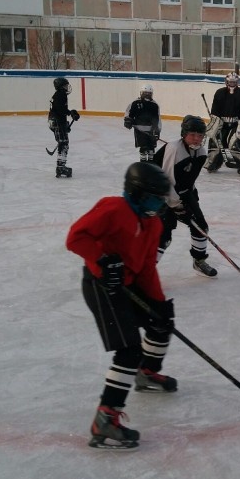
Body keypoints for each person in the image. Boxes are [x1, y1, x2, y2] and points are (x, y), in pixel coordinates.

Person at [65, 162, 177, 449]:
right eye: (154, 198)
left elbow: (148, 267)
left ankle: (148, 372)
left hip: (131, 282)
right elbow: (76, 237)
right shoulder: (114, 209)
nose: (158, 205)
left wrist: (158, 304)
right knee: (129, 351)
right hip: (103, 287)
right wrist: (101, 258)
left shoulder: (153, 222)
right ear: (137, 193)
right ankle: (105, 419)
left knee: (162, 320)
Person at [156, 115, 217, 277]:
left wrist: (191, 200)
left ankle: (199, 261)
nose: (197, 139)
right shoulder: (174, 149)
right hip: (158, 196)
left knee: (200, 227)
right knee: (162, 235)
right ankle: (145, 271)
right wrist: (176, 206)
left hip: (183, 194)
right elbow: (166, 181)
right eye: (193, 135)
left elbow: (188, 179)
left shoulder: (201, 153)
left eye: (200, 135)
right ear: (184, 134)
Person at [206, 72, 240, 175]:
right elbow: (215, 111)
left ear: (238, 82)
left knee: (235, 144)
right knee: (215, 140)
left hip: (236, 125)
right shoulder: (219, 93)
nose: (232, 84)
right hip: (222, 124)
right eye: (230, 82)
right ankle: (213, 162)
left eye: (234, 82)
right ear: (226, 82)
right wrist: (214, 123)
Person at [48, 77, 80, 178]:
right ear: (61, 86)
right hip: (57, 122)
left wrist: (69, 114)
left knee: (63, 143)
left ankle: (60, 166)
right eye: (65, 85)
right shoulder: (61, 95)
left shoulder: (57, 95)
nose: (67, 87)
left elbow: (60, 109)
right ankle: (60, 167)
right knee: (63, 143)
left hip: (55, 122)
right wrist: (69, 116)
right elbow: (61, 110)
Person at [123, 84, 161, 162]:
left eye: (149, 93)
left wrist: (157, 131)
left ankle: (151, 164)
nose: (147, 95)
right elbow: (128, 112)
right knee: (143, 148)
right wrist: (128, 120)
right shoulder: (135, 103)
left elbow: (158, 119)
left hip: (151, 131)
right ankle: (143, 164)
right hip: (139, 131)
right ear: (141, 93)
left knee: (151, 149)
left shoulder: (155, 105)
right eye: (145, 93)